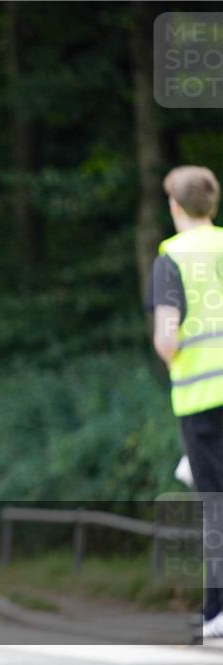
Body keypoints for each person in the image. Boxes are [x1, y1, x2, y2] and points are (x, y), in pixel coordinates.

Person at [148, 165, 223, 640]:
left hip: (201, 397)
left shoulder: (170, 257)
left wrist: (171, 350)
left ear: (175, 206)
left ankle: (218, 612)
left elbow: (166, 338)